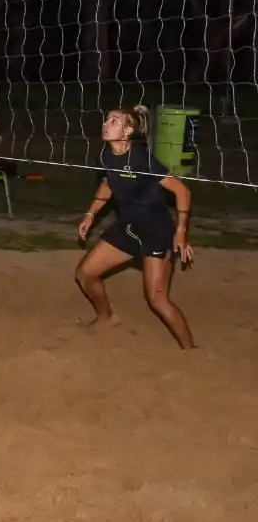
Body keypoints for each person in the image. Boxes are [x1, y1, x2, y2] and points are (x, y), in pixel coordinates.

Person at [76, 106, 195, 349]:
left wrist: (181, 232)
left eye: (114, 121)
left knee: (157, 299)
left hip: (156, 232)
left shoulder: (141, 158)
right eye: (106, 119)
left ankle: (190, 349)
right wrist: (91, 214)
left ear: (128, 131)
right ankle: (106, 317)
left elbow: (182, 192)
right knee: (85, 273)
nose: (106, 124)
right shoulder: (106, 155)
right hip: (128, 228)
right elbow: (109, 184)